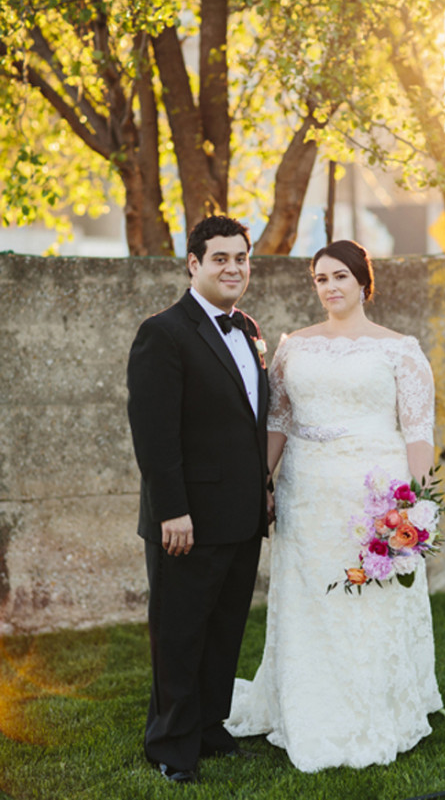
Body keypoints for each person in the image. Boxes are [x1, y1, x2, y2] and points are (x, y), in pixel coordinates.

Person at [226, 239, 443, 772]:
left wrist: (415, 509)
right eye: (321, 279)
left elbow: (418, 434)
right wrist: (262, 482)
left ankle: (377, 704)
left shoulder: (400, 350)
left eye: (340, 276)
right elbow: (278, 423)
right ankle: (309, 703)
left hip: (373, 494)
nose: (331, 287)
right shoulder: (293, 347)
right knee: (309, 598)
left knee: (370, 600)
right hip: (307, 493)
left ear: (364, 282)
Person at [127, 215, 272, 784]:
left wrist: (262, 494)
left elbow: (250, 423)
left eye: (241, 258)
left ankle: (210, 727)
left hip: (240, 514)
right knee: (180, 633)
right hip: (185, 518)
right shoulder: (162, 332)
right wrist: (171, 510)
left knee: (224, 630)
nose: (233, 268)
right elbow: (155, 433)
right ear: (194, 264)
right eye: (220, 259)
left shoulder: (250, 328)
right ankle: (170, 744)